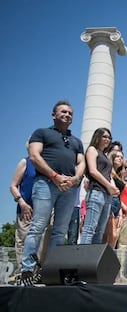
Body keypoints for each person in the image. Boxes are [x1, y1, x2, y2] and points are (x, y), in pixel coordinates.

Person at [20, 100, 85, 285]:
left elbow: (81, 163)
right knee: (38, 227)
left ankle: (52, 270)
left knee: (60, 231)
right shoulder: (41, 133)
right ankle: (26, 270)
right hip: (46, 184)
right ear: (53, 114)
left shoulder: (76, 141)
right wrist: (54, 176)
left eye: (70, 113)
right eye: (63, 111)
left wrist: (74, 179)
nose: (67, 115)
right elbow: (34, 156)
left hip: (69, 188)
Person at [9, 143, 50, 274]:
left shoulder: (47, 165)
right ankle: (22, 272)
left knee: (42, 243)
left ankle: (37, 272)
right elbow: (13, 186)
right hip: (26, 209)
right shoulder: (25, 163)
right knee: (23, 240)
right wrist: (21, 203)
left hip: (44, 209)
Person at [80, 128, 119, 244]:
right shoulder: (92, 150)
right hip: (96, 192)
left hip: (107, 195)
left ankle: (93, 260)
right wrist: (109, 186)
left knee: (100, 231)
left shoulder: (105, 155)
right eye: (104, 136)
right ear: (97, 137)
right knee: (89, 229)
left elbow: (107, 175)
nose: (107, 139)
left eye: (109, 137)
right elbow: (93, 171)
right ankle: (82, 258)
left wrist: (113, 188)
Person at [102, 149, 125, 248]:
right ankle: (103, 260)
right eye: (117, 156)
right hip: (110, 201)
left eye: (121, 157)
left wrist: (120, 211)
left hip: (117, 205)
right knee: (111, 235)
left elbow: (119, 195)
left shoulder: (119, 174)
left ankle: (106, 260)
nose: (120, 159)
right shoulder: (108, 171)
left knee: (111, 236)